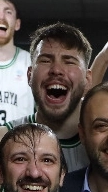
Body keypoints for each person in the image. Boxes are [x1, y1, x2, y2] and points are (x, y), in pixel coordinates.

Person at [7, 22, 97, 172]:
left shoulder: (104, 146)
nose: (56, 70)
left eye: (69, 62)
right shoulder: (0, 141)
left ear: (87, 80)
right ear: (29, 75)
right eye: (45, 60)